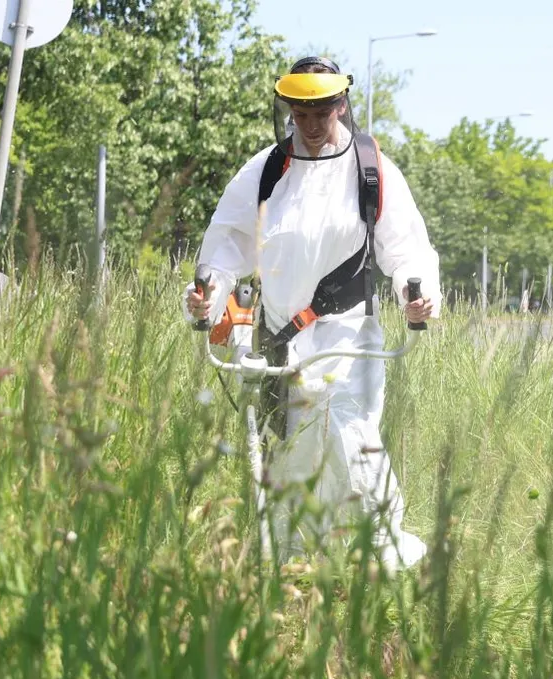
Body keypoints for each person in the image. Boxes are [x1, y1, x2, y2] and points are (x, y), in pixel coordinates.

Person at [184, 56, 440, 573]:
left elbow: (406, 250)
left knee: (350, 436)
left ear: (341, 104)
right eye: (300, 113)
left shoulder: (371, 169)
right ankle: (294, 565)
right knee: (298, 455)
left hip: (350, 336)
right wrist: (205, 298)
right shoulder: (265, 172)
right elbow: (225, 251)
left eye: (321, 112)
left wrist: (418, 296)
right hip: (283, 342)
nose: (311, 124)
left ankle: (384, 555)